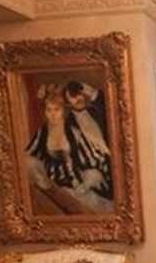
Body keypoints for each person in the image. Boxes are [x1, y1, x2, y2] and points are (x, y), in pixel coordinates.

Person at [25, 83, 113, 215]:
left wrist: (94, 175)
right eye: (49, 110)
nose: (53, 114)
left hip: (78, 187)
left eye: (56, 110)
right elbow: (28, 155)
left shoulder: (73, 132)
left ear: (63, 111)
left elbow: (91, 156)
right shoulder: (41, 133)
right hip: (54, 187)